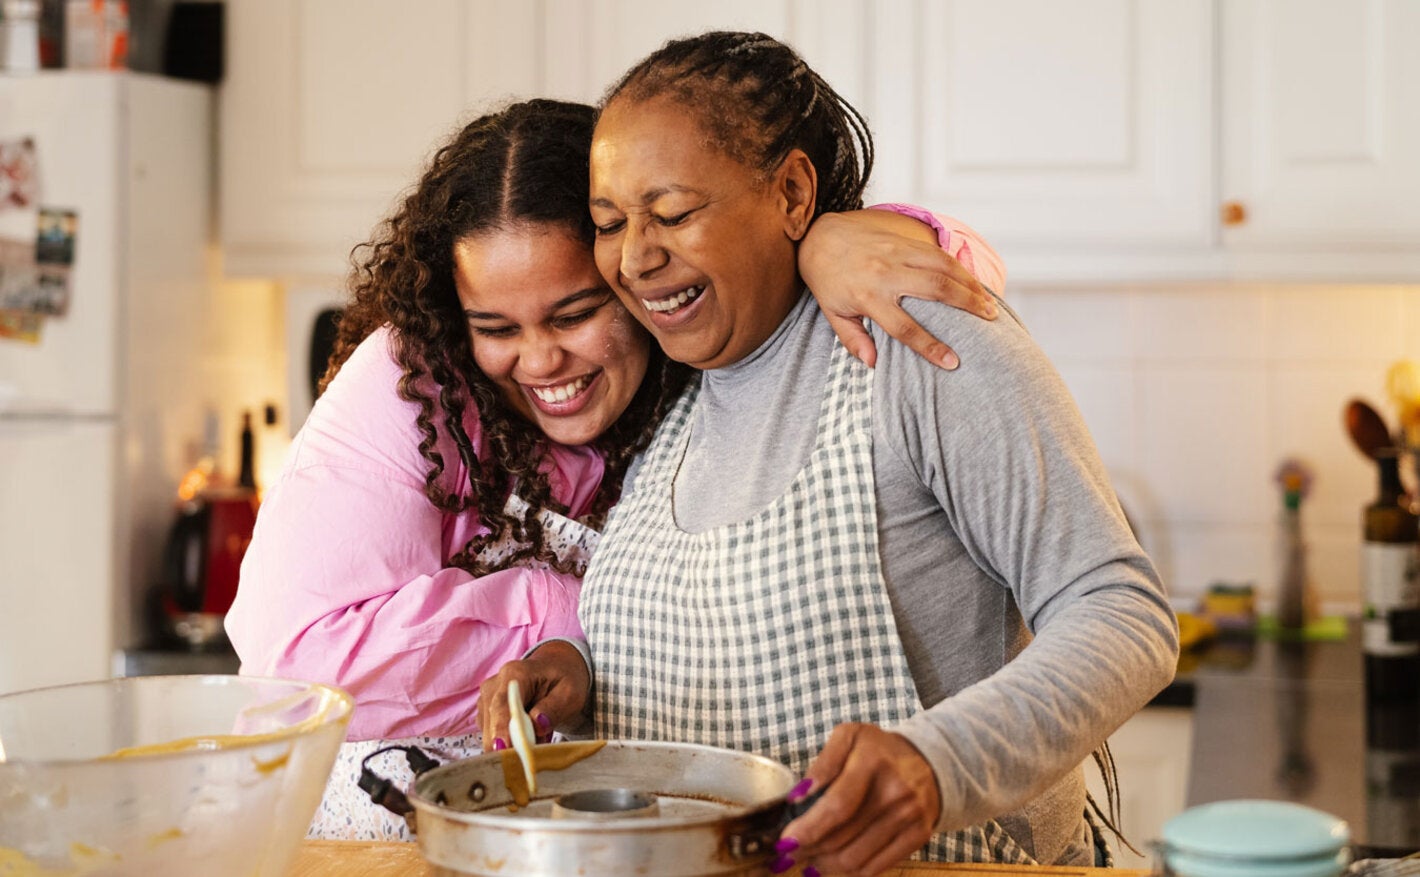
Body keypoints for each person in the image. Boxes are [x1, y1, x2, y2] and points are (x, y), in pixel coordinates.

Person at [478, 31, 1179, 874]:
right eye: (608, 223)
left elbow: (1122, 611)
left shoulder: (910, 339)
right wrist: (579, 669)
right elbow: (704, 630)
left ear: (793, 194)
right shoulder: (673, 395)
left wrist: (935, 763)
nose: (635, 256)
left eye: (673, 213)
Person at [225, 97, 1001, 840]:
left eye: (575, 313)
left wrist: (838, 238)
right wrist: (586, 611)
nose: (539, 360)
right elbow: (297, 664)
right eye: (496, 327)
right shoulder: (414, 379)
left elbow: (964, 285)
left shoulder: (705, 354)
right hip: (382, 839)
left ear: (632, 267)